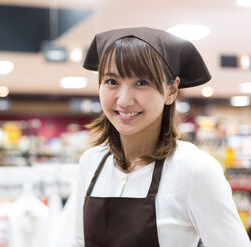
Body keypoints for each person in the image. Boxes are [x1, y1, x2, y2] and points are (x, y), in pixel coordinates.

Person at [71, 27, 251, 247]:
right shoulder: (91, 162)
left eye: (141, 82)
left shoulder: (194, 169)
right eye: (111, 81)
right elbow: (78, 242)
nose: (124, 100)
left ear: (171, 91)